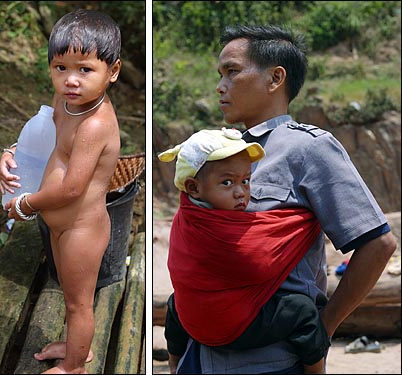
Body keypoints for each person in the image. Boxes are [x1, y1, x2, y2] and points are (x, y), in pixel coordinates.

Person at [169, 24, 397, 374]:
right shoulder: (213, 151)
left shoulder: (308, 148)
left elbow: (378, 243)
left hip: (270, 360)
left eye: (232, 71)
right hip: (197, 355)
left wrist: (322, 329)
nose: (220, 85)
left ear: (275, 78)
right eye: (220, 74)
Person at [0, 9, 122, 374]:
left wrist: (26, 204)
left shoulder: (96, 124)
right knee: (70, 294)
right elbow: (43, 141)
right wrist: (11, 152)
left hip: (82, 228)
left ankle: (74, 368)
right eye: (60, 68)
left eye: (84, 70)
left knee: (78, 303)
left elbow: (71, 189)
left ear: (112, 72)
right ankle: (74, 348)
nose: (71, 80)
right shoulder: (64, 104)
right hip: (59, 225)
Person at [158, 127, 329, 374]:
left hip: (193, 323)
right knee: (303, 312)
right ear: (194, 188)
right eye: (227, 182)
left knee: (177, 302)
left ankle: (175, 361)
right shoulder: (218, 231)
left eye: (245, 181)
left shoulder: (185, 217)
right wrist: (307, 220)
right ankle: (317, 371)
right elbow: (257, 263)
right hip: (231, 328)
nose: (240, 192)